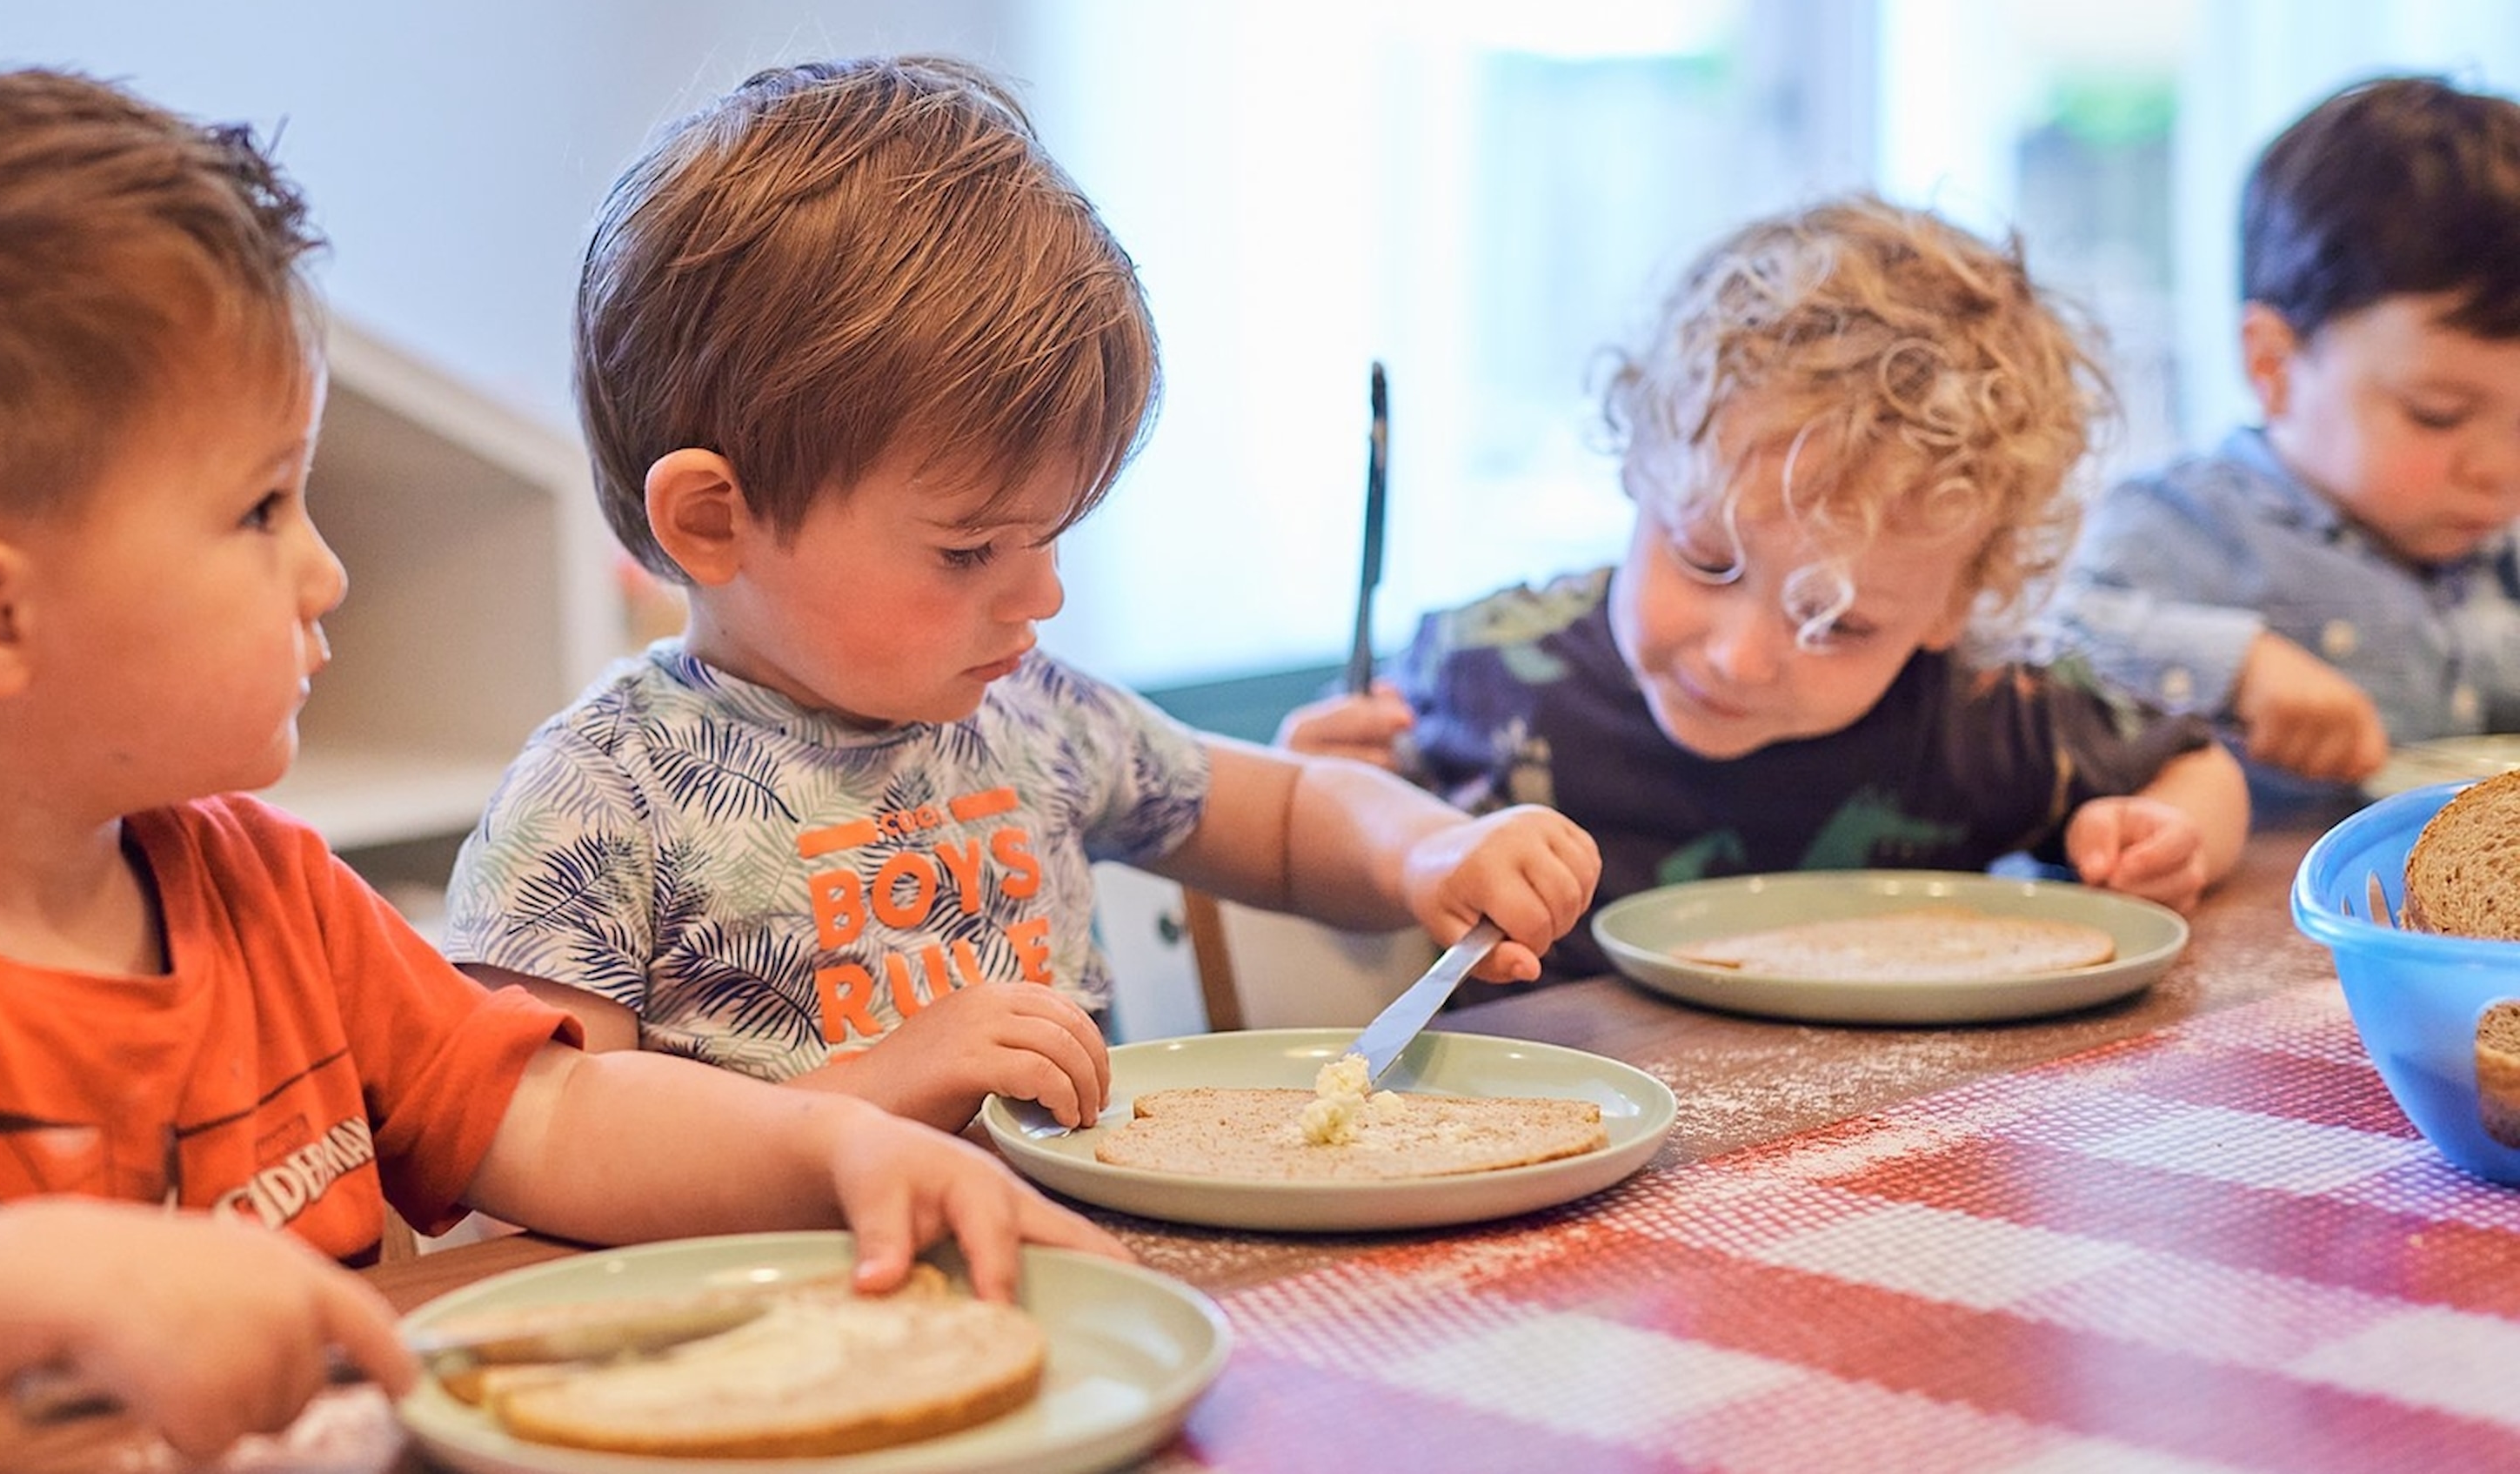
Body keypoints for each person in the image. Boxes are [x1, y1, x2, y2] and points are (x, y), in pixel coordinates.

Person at [0, 70, 1126, 1474]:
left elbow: (564, 1123)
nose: (321, 573)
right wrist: (66, 1276)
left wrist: (834, 1143)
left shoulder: (271, 899)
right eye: (258, 509)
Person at [439, 57, 1601, 1134]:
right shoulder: (599, 796)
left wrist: (1431, 852)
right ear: (713, 521)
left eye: (1050, 536)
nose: (1039, 594)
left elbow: (1292, 817)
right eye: (968, 550)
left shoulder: (1031, 718)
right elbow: (534, 1135)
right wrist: (877, 1089)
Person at [1280, 197, 2249, 976]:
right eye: (1706, 561)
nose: (1740, 655)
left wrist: (2167, 837)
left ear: (1953, 610)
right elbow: (1329, 852)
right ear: (1641, 466)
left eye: (1835, 624)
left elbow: (2197, 764)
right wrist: (1323, 782)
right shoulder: (1480, 670)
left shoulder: (1983, 714)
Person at [2052, 76, 2520, 823]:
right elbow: (2048, 638)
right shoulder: (2186, 524)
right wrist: (2238, 666)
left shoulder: (2501, 549)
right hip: (2241, 914)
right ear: (2273, 365)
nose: (2499, 472)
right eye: (2439, 415)